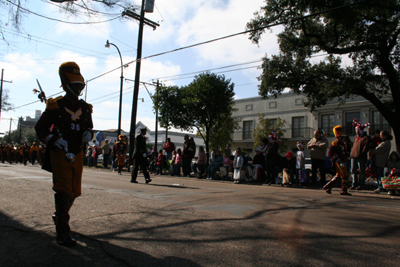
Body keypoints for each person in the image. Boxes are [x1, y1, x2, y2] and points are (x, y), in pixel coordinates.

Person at [35, 61, 93, 246]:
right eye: (75, 85)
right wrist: (53, 139)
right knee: (63, 188)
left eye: (80, 85)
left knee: (74, 191)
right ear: (66, 84)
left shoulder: (85, 108)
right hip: (60, 151)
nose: (78, 88)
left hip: (77, 151)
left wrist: (89, 133)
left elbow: (89, 127)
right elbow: (41, 128)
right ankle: (63, 233)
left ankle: (59, 216)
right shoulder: (55, 105)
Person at [323, 125, 352, 195]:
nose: (342, 138)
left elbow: (345, 152)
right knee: (345, 175)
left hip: (342, 161)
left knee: (339, 176)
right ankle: (343, 190)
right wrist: (336, 159)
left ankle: (328, 187)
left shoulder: (343, 144)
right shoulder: (335, 143)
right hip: (338, 162)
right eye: (341, 137)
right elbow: (330, 154)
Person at [349, 119, 371, 190]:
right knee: (353, 170)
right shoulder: (356, 138)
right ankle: (354, 183)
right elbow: (352, 146)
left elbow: (366, 148)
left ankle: (361, 184)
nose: (356, 131)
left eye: (357, 130)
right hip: (353, 156)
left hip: (361, 157)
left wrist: (361, 154)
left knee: (361, 171)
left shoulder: (366, 138)